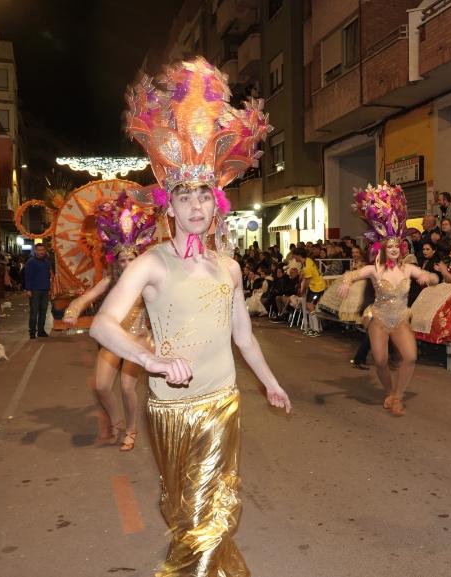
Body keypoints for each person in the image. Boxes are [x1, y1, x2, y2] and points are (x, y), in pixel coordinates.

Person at [91, 58, 291, 576]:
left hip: (221, 401)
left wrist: (270, 383)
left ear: (216, 203)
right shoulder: (151, 263)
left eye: (205, 195)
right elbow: (102, 324)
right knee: (181, 506)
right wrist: (151, 361)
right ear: (170, 207)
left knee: (214, 508)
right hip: (170, 407)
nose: (197, 206)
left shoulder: (229, 266)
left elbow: (243, 336)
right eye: (186, 197)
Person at [64, 193, 159, 452]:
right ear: (116, 262)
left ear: (138, 258)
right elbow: (86, 297)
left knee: (127, 388)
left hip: (138, 340)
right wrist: (73, 310)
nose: (127, 263)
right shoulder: (110, 281)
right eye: (123, 259)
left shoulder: (147, 282)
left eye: (132, 258)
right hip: (115, 339)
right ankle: (116, 422)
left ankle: (131, 430)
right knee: (102, 386)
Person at [339, 182, 438, 416]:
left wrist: (430, 277)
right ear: (383, 249)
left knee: (410, 357)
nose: (394, 250)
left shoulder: (408, 268)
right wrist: (346, 282)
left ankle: (398, 397)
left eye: (397, 246)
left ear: (401, 248)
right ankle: (389, 391)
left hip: (401, 319)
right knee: (381, 360)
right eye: (390, 247)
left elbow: (432, 277)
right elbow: (353, 274)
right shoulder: (375, 270)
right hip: (379, 319)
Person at [23, 244, 52, 339]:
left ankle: (41, 331)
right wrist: (28, 289)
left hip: (45, 290)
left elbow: (48, 276)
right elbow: (28, 276)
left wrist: (49, 289)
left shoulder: (47, 262)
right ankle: (32, 332)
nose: (41, 252)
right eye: (39, 250)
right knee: (34, 312)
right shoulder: (31, 262)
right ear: (35, 251)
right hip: (34, 290)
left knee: (43, 312)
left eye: (43, 250)